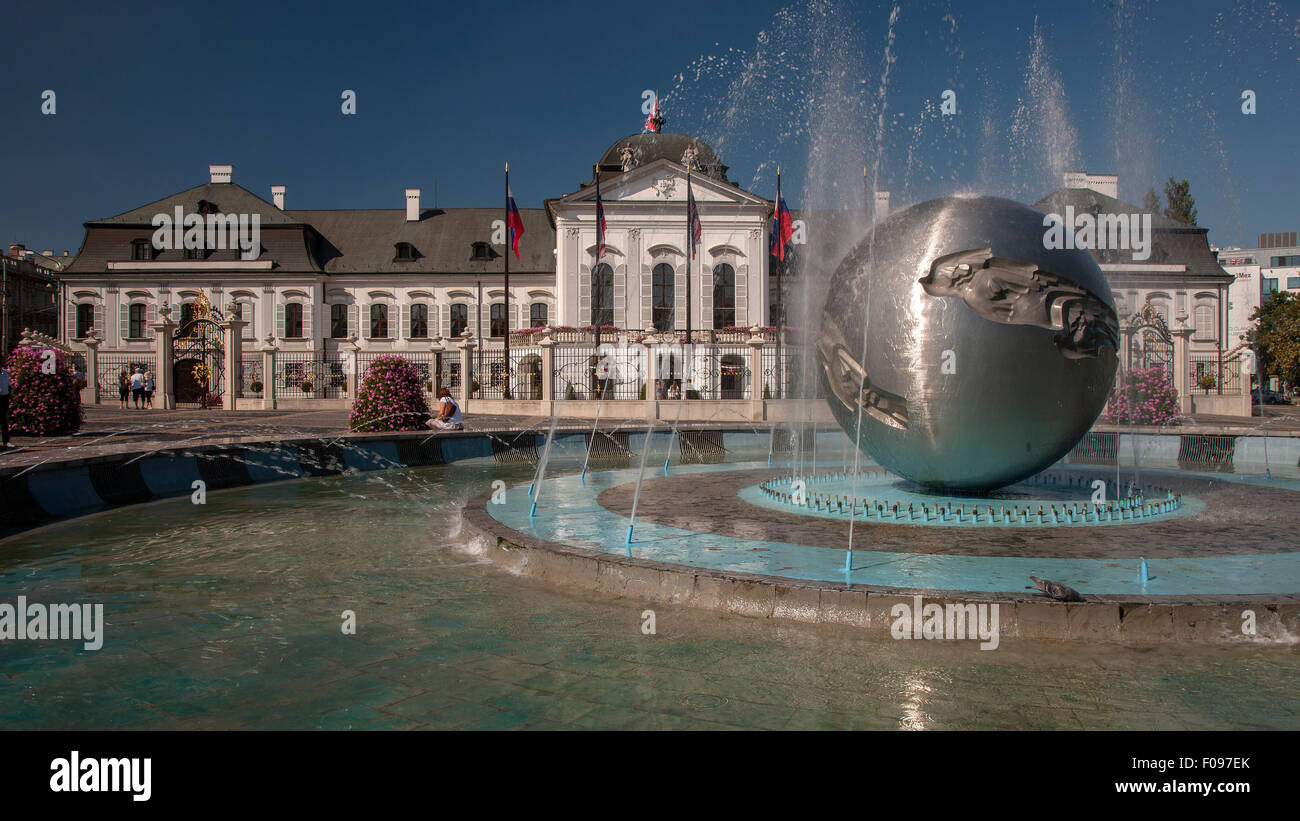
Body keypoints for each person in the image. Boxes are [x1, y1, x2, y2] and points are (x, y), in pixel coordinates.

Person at [0, 364, 11, 449]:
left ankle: (6, 441)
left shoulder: (5, 373)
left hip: (4, 398)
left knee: (4, 420)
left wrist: (8, 396)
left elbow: (8, 385)